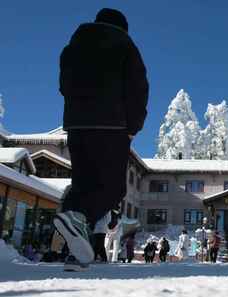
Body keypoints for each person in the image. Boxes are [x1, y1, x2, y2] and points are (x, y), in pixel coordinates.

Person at [53, 8, 149, 270]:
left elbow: (64, 85)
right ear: (123, 27)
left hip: (76, 125)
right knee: (112, 188)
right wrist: (133, 127)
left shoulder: (73, 47)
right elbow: (137, 89)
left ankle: (77, 254)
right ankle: (78, 221)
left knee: (82, 184)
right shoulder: (125, 45)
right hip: (111, 125)